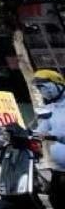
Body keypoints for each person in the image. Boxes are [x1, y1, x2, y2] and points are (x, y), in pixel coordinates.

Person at [35, 69, 65, 209]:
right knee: (55, 200)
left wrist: (52, 135)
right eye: (39, 88)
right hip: (59, 169)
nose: (43, 91)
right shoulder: (50, 108)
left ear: (58, 85)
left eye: (44, 87)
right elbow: (41, 130)